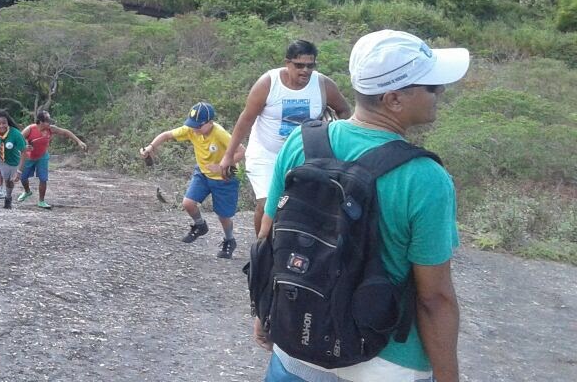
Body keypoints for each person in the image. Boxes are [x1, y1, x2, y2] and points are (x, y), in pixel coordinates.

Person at [254, 30, 467, 382]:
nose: (439, 92)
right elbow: (435, 299)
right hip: (386, 365)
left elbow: (270, 239)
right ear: (394, 99)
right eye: (431, 86)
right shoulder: (425, 178)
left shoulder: (300, 142)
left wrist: (265, 313)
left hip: (297, 347)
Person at [217, 40, 352, 234]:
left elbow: (344, 110)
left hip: (303, 155)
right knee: (266, 206)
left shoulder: (323, 85)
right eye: (299, 65)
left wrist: (339, 139)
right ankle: (262, 253)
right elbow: (246, 119)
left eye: (310, 66)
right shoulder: (268, 84)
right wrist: (228, 155)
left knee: (302, 207)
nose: (305, 70)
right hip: (266, 153)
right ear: (287, 63)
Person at [140, 103, 239, 259]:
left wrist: (222, 166)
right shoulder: (192, 130)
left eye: (198, 126)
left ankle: (229, 240)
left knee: (223, 216)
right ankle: (200, 225)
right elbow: (166, 135)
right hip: (203, 173)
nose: (195, 129)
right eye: (193, 125)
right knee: (188, 203)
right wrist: (150, 147)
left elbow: (241, 151)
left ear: (210, 122)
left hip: (225, 177)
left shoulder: (220, 133)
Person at [17, 110, 88, 210]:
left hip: (42, 156)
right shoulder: (30, 129)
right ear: (40, 121)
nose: (49, 123)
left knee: (43, 178)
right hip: (29, 157)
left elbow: (65, 132)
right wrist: (24, 146)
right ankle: (27, 191)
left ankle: (41, 201)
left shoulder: (51, 129)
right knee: (23, 177)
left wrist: (79, 141)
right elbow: (18, 139)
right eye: (47, 121)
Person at [0, 111, 27, 209]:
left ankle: (8, 199)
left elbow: (24, 152)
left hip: (11, 160)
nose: (1, 126)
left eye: (4, 123)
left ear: (8, 123)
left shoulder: (15, 134)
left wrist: (19, 171)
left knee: (9, 181)